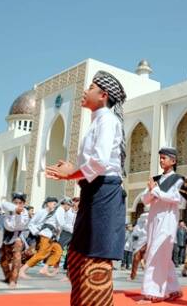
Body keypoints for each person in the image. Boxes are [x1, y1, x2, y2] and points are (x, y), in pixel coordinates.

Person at [45, 70, 127, 306]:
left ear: (103, 95)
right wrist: (75, 169)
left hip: (104, 193)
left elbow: (101, 162)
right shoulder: (98, 120)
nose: (85, 91)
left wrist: (72, 172)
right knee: (78, 255)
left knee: (95, 259)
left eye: (90, 87)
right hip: (93, 191)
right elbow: (97, 161)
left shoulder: (108, 120)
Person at [139, 147, 184, 303]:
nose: (161, 160)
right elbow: (145, 199)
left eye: (164, 158)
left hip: (167, 220)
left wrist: (156, 191)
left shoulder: (178, 179)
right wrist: (152, 191)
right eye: (160, 158)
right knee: (160, 254)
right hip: (153, 220)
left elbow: (176, 198)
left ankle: (153, 292)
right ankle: (173, 289)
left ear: (173, 161)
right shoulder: (156, 179)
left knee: (156, 254)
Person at [0, 193, 30, 288]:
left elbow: (17, 226)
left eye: (20, 203)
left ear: (23, 203)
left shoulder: (25, 213)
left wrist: (18, 214)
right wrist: (14, 209)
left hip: (17, 236)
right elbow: (4, 204)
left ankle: (13, 280)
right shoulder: (9, 208)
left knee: (17, 258)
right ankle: (8, 276)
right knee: (3, 260)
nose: (18, 204)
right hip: (5, 236)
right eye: (15, 202)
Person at [130, 211, 148, 280]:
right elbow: (134, 235)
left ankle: (147, 274)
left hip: (147, 242)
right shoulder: (138, 226)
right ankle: (133, 275)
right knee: (137, 258)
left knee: (144, 258)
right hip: (139, 244)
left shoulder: (150, 224)